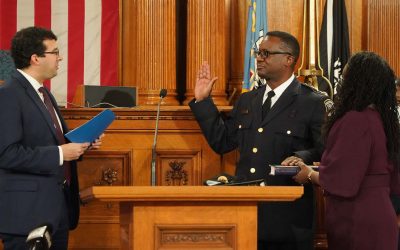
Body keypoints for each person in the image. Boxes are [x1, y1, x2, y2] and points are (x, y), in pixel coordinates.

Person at [189, 31, 331, 250]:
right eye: (258, 52)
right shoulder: (248, 99)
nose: (259, 58)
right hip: (247, 214)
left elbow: (326, 153)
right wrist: (202, 101)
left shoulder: (312, 101)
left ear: (289, 59)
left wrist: (300, 157)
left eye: (266, 53)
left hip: (287, 218)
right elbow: (222, 142)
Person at [0, 26, 103, 250]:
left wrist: (82, 145)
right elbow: (6, 154)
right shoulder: (8, 94)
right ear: (35, 58)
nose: (61, 57)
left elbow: (51, 141)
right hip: (27, 216)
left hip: (56, 211)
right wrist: (60, 153)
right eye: (55, 52)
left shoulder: (43, 93)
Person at [293, 51, 400, 250]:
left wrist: (309, 175)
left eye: (345, 76)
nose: (341, 81)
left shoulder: (355, 119)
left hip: (358, 218)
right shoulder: (381, 118)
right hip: (379, 213)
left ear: (356, 82)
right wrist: (326, 166)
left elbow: (343, 179)